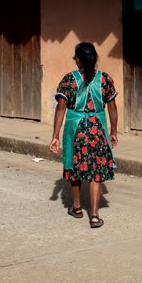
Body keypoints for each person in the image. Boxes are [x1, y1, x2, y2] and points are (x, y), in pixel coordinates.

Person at [49, 42, 118, 228]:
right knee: (95, 171)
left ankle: (77, 207)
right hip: (97, 129)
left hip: (75, 128)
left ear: (77, 60)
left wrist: (55, 136)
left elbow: (61, 108)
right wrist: (113, 132)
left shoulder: (69, 80)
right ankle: (94, 215)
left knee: (74, 164)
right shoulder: (105, 79)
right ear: (95, 58)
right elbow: (112, 109)